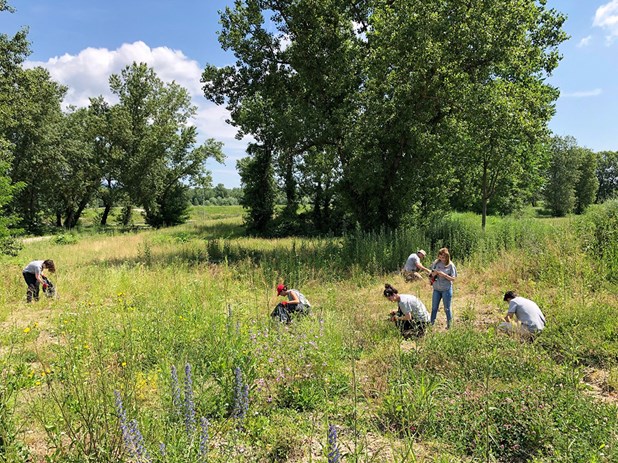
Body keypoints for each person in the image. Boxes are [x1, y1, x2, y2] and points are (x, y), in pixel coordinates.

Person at [429, 248, 457, 329]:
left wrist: (444, 275)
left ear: (447, 257)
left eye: (443, 257)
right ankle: (431, 325)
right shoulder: (436, 263)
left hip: (446, 289)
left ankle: (449, 326)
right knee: (434, 308)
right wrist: (433, 275)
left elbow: (453, 279)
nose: (441, 259)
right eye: (440, 257)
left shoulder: (451, 265)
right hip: (436, 289)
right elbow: (430, 275)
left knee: (447, 309)